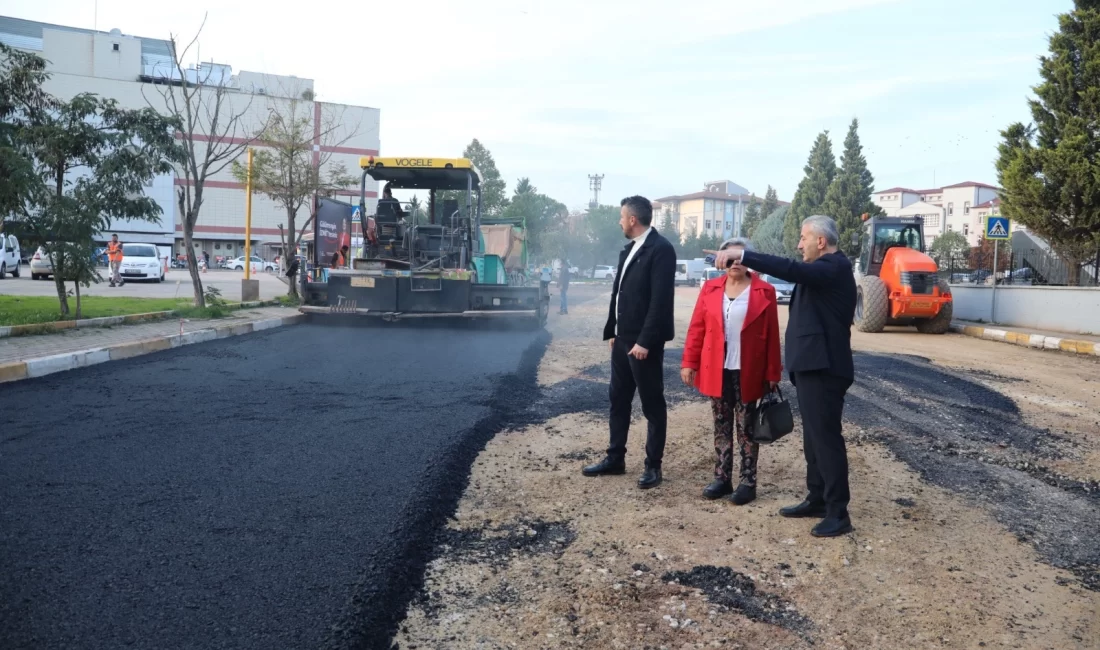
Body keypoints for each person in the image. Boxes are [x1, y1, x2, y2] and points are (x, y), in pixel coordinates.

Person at [712, 215, 857, 537]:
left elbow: (791, 269)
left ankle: (838, 512)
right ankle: (817, 498)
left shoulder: (834, 266)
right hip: (811, 366)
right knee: (813, 439)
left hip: (825, 368)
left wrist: (744, 255)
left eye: (804, 238)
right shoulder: (820, 271)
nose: (798, 244)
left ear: (821, 241)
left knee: (826, 440)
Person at [583, 195, 676, 489]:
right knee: (618, 400)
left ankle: (653, 466)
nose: (620, 222)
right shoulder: (630, 249)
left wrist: (645, 342)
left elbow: (660, 301)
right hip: (623, 340)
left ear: (633, 219)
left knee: (652, 405)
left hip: (643, 345)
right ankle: (615, 459)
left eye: (622, 217)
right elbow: (619, 294)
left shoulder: (661, 249)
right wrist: (613, 330)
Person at [681, 238, 782, 505]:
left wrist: (773, 372)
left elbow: (772, 335)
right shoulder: (710, 288)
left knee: (746, 427)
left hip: (749, 370)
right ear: (721, 260)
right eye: (730, 257)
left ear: (749, 260)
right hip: (717, 369)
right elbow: (697, 328)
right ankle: (722, 478)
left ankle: (748, 482)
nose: (735, 262)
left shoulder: (764, 291)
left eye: (740, 257)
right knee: (721, 425)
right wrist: (689, 362)